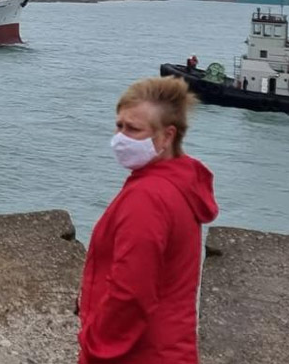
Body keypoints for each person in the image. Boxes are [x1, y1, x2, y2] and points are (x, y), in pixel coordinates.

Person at [78, 76, 218, 364]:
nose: (120, 138)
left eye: (133, 129)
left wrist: (94, 345)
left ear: (167, 136)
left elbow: (131, 291)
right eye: (119, 126)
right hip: (170, 345)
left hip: (137, 353)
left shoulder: (147, 198)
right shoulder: (182, 183)